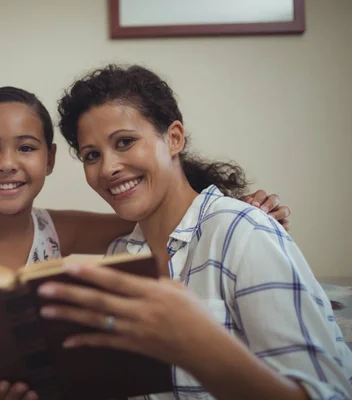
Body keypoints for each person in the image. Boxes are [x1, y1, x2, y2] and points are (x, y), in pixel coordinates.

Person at [0, 86, 290, 400]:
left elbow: (159, 220)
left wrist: (242, 209)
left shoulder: (63, 232)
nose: (7, 164)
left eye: (27, 147)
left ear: (51, 159)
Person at [35, 64, 352, 399]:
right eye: (92, 155)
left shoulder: (243, 233)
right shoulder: (118, 256)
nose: (109, 167)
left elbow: (331, 394)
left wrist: (203, 350)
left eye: (125, 142)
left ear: (174, 138)